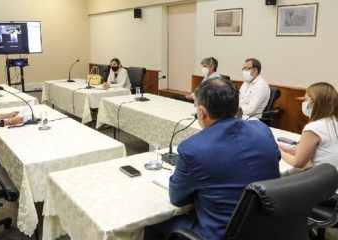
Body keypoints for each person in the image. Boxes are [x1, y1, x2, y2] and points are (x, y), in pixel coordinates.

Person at [144, 78, 281, 240]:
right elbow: (273, 159)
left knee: (150, 226)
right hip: (266, 228)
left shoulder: (192, 149)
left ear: (201, 112)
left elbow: (177, 198)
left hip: (220, 234)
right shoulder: (262, 129)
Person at [279, 82, 338, 170]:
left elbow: (298, 163)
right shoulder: (334, 120)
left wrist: (278, 151)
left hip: (326, 180)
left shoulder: (313, 128)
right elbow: (309, 150)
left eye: (306, 100)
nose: (304, 103)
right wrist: (285, 149)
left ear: (314, 103)